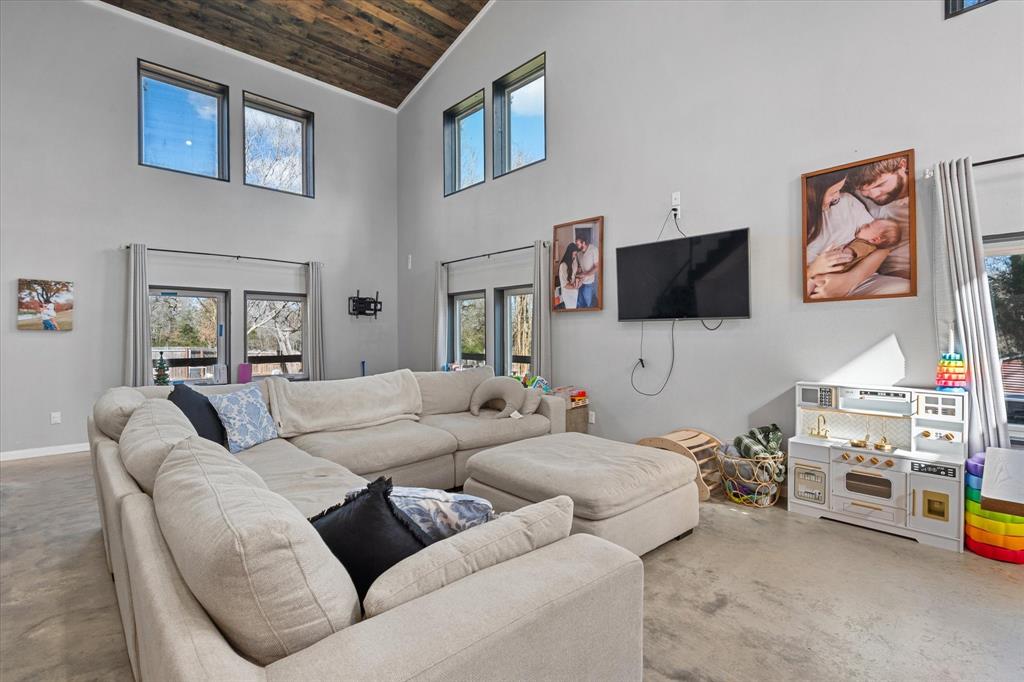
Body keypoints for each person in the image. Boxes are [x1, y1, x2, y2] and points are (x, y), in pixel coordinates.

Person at [574, 230, 599, 308]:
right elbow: (580, 266)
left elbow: (597, 267)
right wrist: (578, 275)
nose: (576, 246)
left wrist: (585, 274)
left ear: (583, 243)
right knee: (579, 304)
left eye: (578, 244)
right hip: (580, 282)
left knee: (587, 305)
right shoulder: (579, 253)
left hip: (589, 283)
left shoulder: (594, 250)